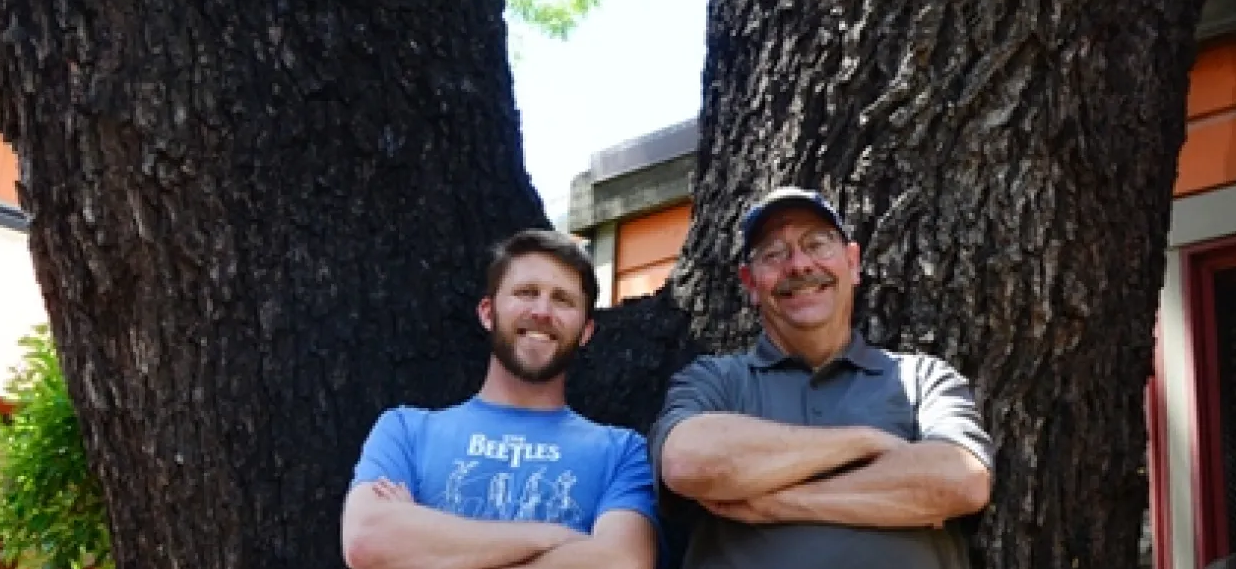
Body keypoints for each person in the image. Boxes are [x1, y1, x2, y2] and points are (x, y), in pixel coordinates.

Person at [650, 186, 996, 569]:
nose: (798, 265)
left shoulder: (922, 378)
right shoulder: (715, 379)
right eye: (773, 254)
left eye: (816, 244)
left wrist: (775, 503)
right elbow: (688, 462)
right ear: (750, 284)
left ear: (852, 263)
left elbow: (961, 481)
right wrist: (867, 442)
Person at [340, 229, 658, 569]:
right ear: (488, 313)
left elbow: (621, 564)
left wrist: (424, 545)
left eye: (562, 300)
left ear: (586, 331)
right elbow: (367, 541)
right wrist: (556, 538)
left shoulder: (622, 453)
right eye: (526, 292)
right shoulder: (405, 430)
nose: (542, 311)